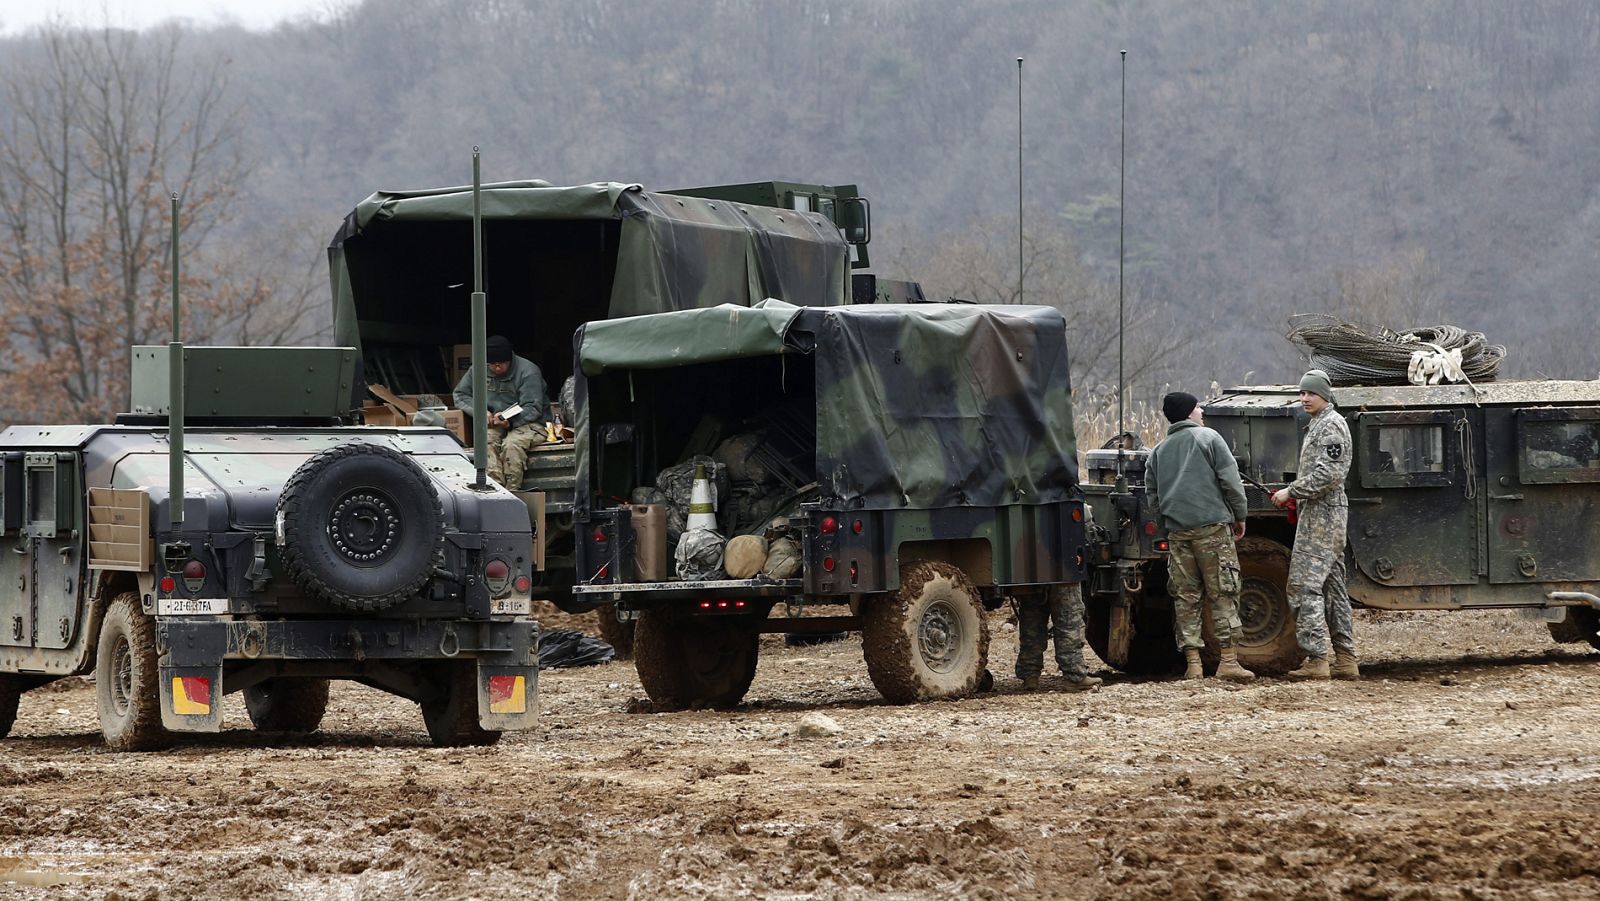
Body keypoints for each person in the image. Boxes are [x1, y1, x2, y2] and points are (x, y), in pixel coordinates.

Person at [1145, 391, 1255, 682]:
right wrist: (1239, 514)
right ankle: (1228, 661)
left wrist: (1166, 523)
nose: (1202, 412)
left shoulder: (1158, 451)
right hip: (1213, 529)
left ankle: (1193, 664)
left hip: (1178, 533)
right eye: (1197, 408)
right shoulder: (1210, 439)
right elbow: (1230, 481)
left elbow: (1152, 497)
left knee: (1186, 598)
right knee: (1223, 592)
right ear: (1189, 412)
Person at [1271, 369, 1359, 680]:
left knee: (1302, 585)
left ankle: (1317, 658)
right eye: (1302, 393)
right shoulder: (1319, 424)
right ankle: (1346, 659)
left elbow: (1329, 476)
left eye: (1310, 393)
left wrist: (1290, 492)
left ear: (1325, 395)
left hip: (1323, 518)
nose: (1304, 398)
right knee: (1333, 589)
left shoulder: (1331, 426)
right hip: (1319, 514)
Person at [452, 335, 549, 489]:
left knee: (512, 445)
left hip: (529, 423)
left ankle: (512, 490)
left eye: (502, 364)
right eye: (493, 365)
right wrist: (479, 411)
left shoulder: (528, 371)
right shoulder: (477, 370)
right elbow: (460, 394)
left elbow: (533, 407)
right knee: (485, 441)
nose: (497, 368)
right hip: (495, 421)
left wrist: (510, 422)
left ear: (509, 360)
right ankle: (495, 488)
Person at [1015, 586, 1103, 692]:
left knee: (1032, 616)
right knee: (1068, 616)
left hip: (1028, 574)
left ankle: (1030, 676)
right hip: (1063, 573)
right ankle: (1074, 677)